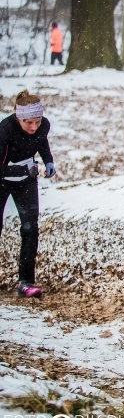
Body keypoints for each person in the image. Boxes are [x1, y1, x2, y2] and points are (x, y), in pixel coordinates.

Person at [1, 90, 57, 298]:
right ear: (18, 117)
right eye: (28, 123)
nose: (34, 127)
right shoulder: (5, 130)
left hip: (26, 180)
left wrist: (48, 160)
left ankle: (26, 282)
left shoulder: (43, 126)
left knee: (30, 228)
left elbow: (41, 141)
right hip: (3, 179)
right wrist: (24, 170)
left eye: (37, 121)